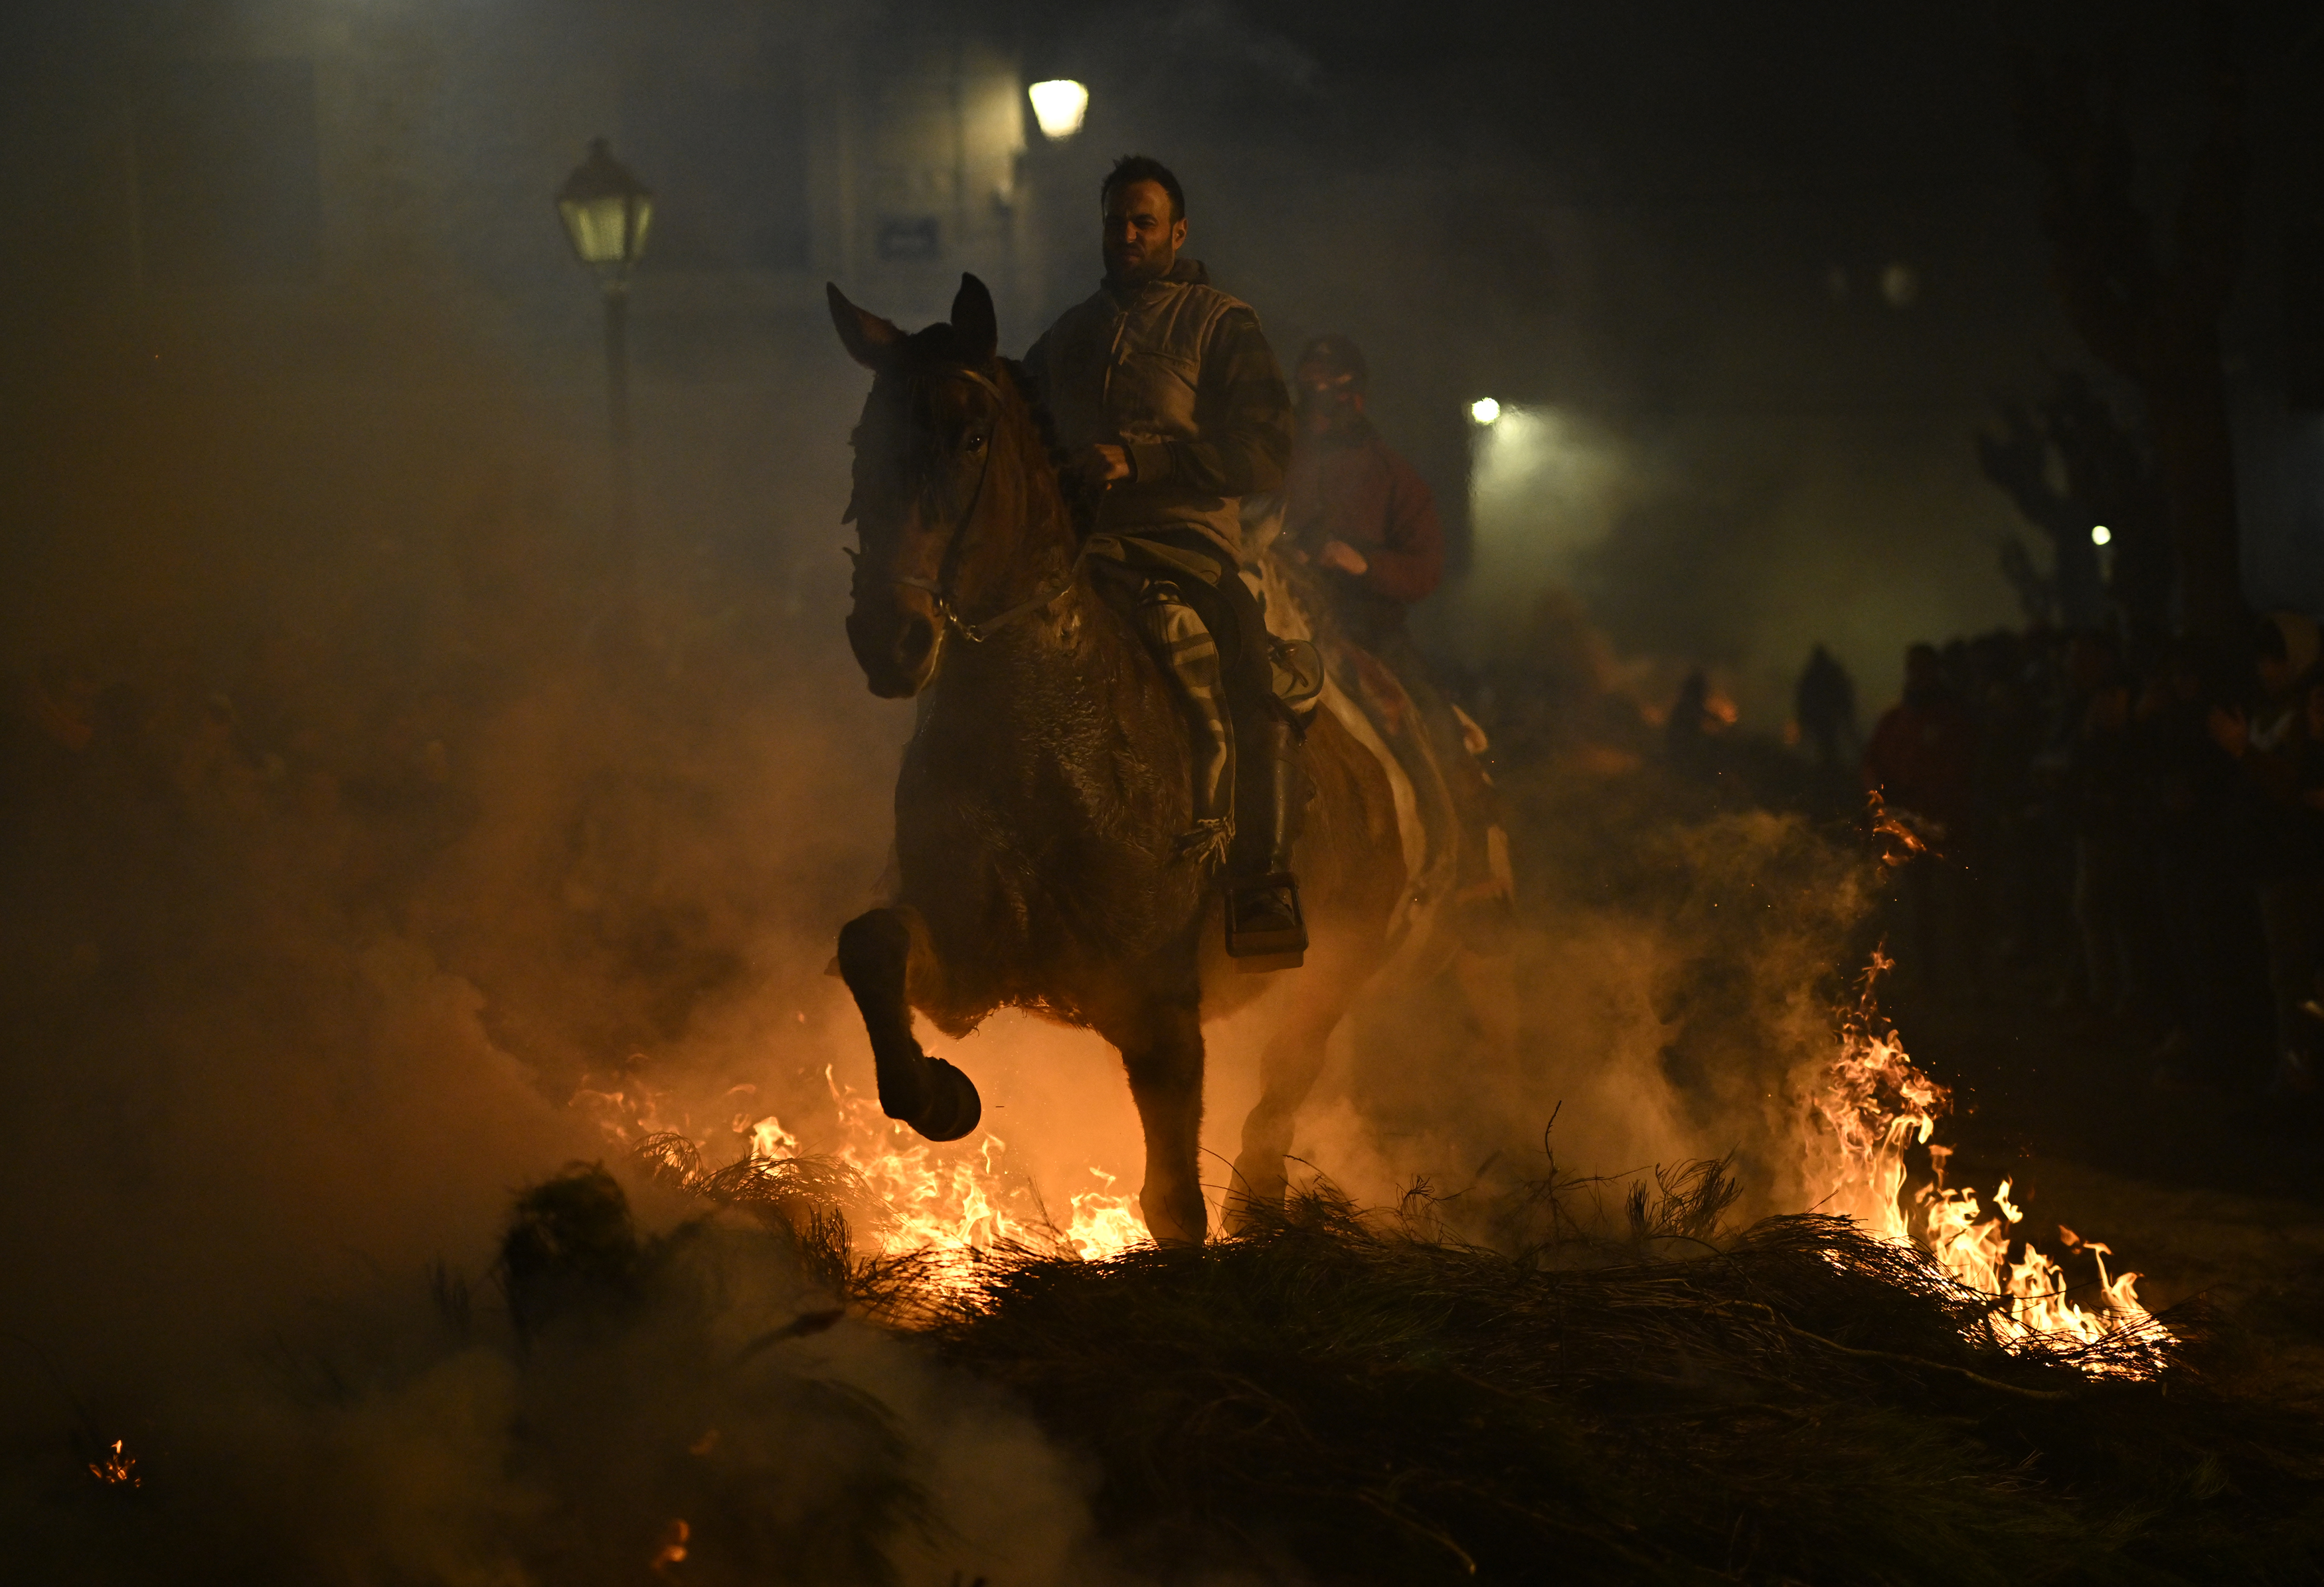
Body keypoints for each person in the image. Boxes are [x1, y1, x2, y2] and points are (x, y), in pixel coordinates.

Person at [1023, 156, 1305, 963]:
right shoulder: (1069, 333)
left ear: (1178, 233)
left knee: (1254, 672)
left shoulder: (1220, 324)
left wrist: (1142, 462)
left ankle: (1260, 881)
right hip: (1080, 551)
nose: (1128, 235)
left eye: (1144, 222)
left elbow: (1265, 452)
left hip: (1186, 546)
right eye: (1116, 220)